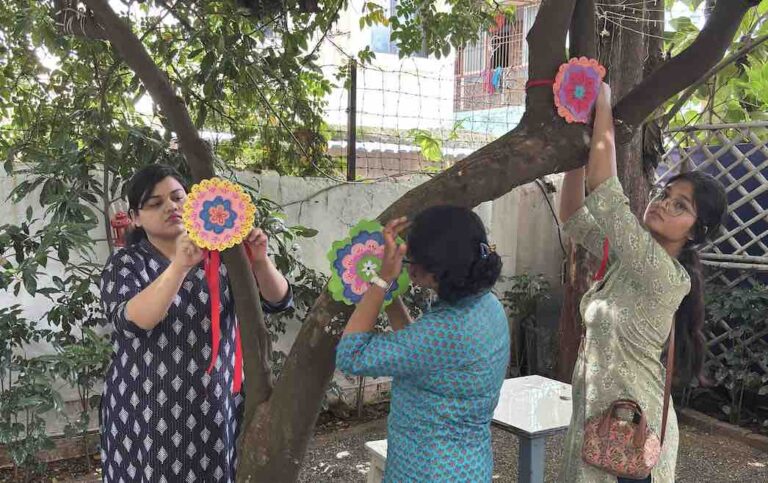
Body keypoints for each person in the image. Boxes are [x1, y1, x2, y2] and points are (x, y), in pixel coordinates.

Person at [558, 84, 727, 483]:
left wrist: (600, 102)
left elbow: (607, 195)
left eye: (680, 205)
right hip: (601, 424)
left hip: (632, 436)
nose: (664, 203)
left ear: (696, 231)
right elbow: (573, 216)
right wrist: (577, 151)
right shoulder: (627, 256)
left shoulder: (663, 275)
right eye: (666, 194)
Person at [99, 164, 292, 482]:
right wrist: (179, 266)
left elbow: (278, 300)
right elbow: (136, 321)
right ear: (135, 217)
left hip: (213, 409)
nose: (171, 207)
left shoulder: (224, 255)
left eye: (177, 197)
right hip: (145, 414)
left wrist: (259, 259)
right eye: (155, 203)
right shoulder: (126, 263)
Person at [335, 207, 510, 482]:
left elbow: (351, 355)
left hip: (427, 471)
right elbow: (420, 355)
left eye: (413, 260)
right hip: (469, 467)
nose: (409, 266)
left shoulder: (446, 331)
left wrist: (382, 281)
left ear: (439, 268)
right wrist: (389, 295)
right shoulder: (485, 305)